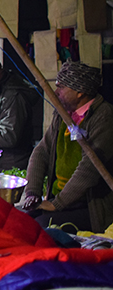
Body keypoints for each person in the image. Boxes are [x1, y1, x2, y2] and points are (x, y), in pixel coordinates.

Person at [21, 61, 113, 232]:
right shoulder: (63, 114)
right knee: (20, 220)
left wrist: (57, 204)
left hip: (89, 206)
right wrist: (32, 193)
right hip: (59, 199)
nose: (56, 92)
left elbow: (90, 168)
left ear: (80, 91)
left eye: (61, 87)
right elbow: (41, 152)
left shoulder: (103, 116)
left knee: (40, 227)